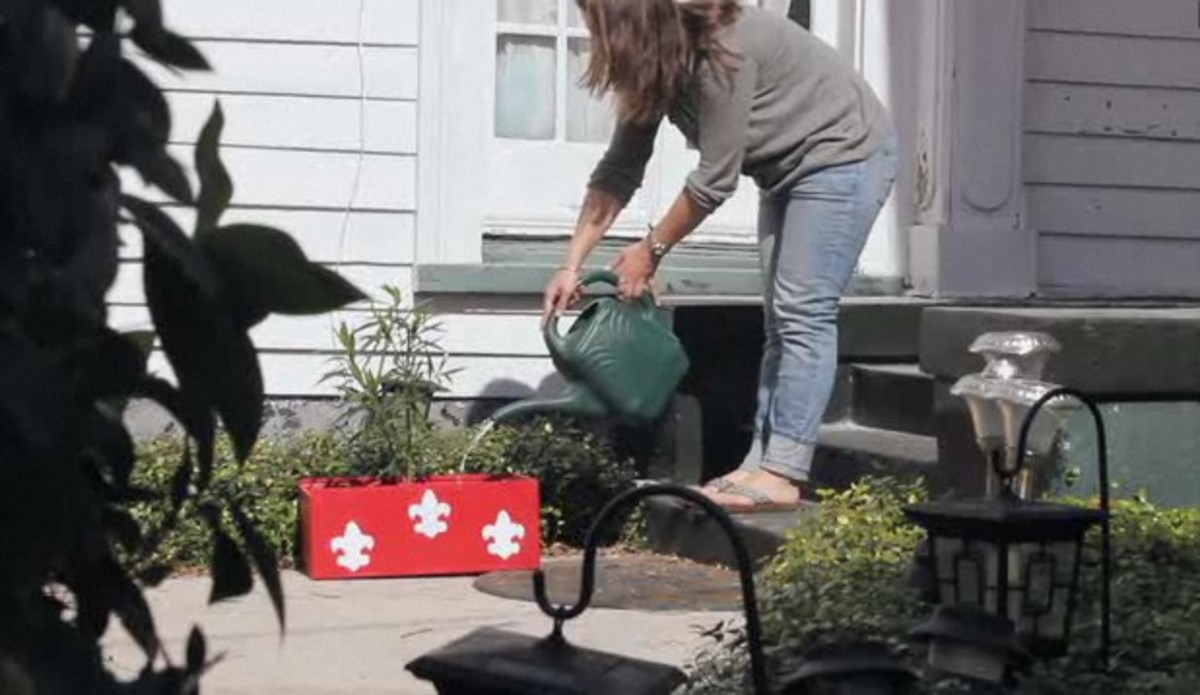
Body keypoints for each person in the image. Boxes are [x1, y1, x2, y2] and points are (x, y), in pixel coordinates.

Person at [541, 0, 898, 512]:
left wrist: (650, 251)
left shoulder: (723, 48)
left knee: (803, 312)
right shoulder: (659, 64)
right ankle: (762, 462)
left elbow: (714, 181)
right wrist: (572, 264)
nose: (594, 32)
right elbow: (620, 168)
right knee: (781, 321)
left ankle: (784, 471)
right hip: (785, 167)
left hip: (844, 154)